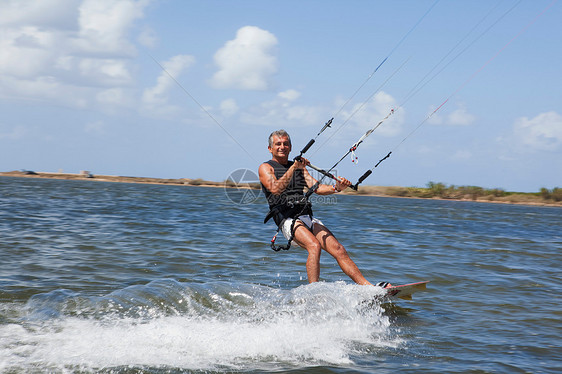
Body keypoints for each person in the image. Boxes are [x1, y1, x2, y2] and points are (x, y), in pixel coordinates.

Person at [258, 129, 390, 288]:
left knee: (339, 249)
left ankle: (369, 288)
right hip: (286, 219)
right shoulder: (266, 168)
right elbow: (276, 189)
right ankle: (314, 292)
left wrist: (337, 187)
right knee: (314, 246)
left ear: (290, 147)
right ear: (270, 148)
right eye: (278, 144)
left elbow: (317, 188)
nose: (282, 147)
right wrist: (294, 167)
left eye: (285, 144)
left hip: (305, 216)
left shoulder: (298, 167)